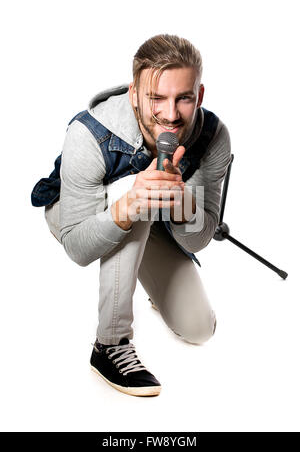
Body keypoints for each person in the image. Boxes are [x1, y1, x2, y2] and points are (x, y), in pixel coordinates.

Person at [40, 34, 231, 397]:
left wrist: (181, 201)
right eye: (156, 98)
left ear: (199, 95)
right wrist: (133, 202)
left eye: (184, 98)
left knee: (198, 328)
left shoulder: (214, 137)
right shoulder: (88, 132)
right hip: (75, 213)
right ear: (133, 94)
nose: (170, 114)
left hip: (148, 218)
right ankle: (109, 345)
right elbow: (79, 249)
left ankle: (146, 264)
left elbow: (197, 238)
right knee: (136, 192)